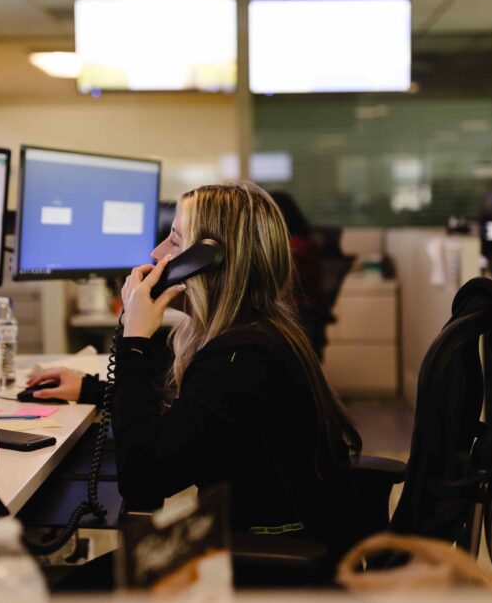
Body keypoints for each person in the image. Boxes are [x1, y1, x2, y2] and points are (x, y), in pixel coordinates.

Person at [27, 181, 362, 580]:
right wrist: (92, 389)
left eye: (173, 240)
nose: (155, 255)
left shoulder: (242, 359)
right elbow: (191, 418)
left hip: (270, 565)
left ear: (208, 260)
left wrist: (135, 339)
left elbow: (144, 476)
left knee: (56, 588)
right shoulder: (257, 334)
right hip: (269, 543)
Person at [268, 190, 330, 359]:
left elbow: (283, 285)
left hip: (298, 316)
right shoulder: (303, 241)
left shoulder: (295, 248)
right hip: (303, 313)